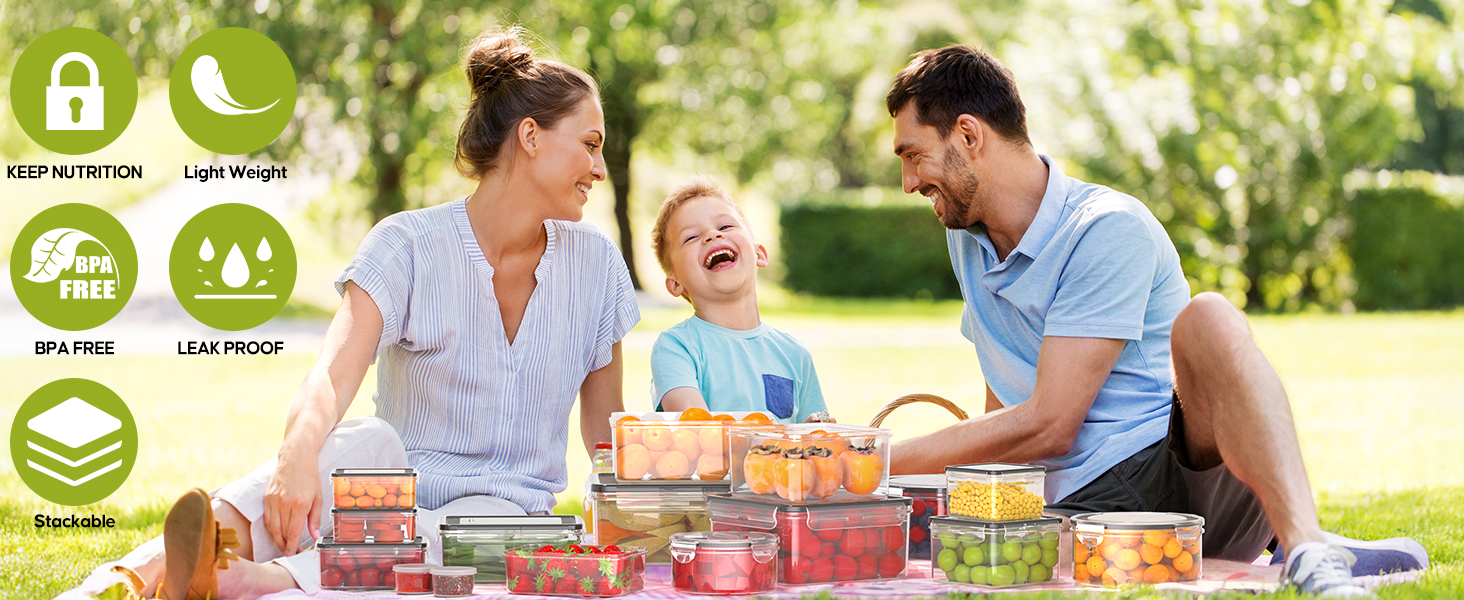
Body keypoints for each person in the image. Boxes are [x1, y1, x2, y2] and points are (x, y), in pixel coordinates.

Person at [69, 27, 639, 600]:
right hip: (388, 491)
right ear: (531, 137)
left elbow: (605, 434)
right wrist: (294, 457)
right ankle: (144, 573)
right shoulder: (407, 244)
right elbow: (332, 376)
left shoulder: (596, 266)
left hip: (502, 522)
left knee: (482, 531)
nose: (598, 166)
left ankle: (247, 581)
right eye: (590, 144)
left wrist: (653, 510)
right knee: (364, 442)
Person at [883, 45, 1422, 598]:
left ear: (969, 136)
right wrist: (989, 491)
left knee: (1207, 315)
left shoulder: (1105, 229)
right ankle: (1301, 549)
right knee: (938, 540)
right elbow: (1005, 386)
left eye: (912, 154)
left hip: (1163, 474)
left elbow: (1050, 423)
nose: (907, 181)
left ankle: (1308, 552)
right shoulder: (966, 237)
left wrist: (871, 459)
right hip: (1074, 501)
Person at [648, 177, 830, 424]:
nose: (712, 236)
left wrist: (815, 438)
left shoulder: (795, 355)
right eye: (691, 237)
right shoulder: (676, 347)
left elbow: (819, 445)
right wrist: (790, 441)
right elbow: (699, 434)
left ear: (759, 254)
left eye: (725, 227)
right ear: (676, 283)